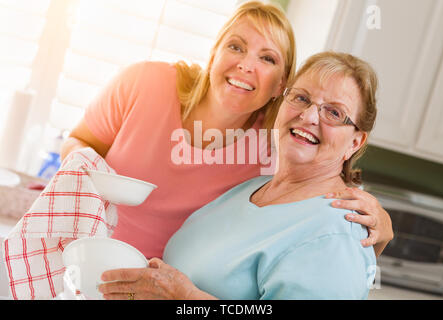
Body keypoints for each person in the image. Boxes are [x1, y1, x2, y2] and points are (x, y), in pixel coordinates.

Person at [61, 2, 392, 263]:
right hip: (81, 253)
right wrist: (92, 183)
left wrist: (385, 227)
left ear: (281, 84)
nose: (246, 65)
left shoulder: (276, 143)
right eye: (236, 47)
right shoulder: (143, 83)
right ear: (214, 53)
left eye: (267, 57)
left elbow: (331, 196)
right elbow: (77, 144)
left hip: (158, 287)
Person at [99, 51, 381, 300]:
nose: (308, 116)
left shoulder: (337, 236)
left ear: (355, 142)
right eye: (301, 98)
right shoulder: (250, 188)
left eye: (334, 112)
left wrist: (184, 298)